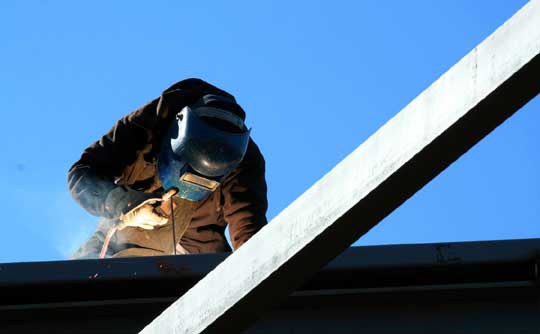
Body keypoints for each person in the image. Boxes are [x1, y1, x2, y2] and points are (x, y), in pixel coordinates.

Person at [69, 78, 268, 258]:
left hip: (197, 251)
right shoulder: (145, 127)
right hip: (128, 231)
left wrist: (253, 264)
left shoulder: (244, 160)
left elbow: (248, 228)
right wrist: (124, 204)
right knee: (81, 281)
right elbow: (82, 174)